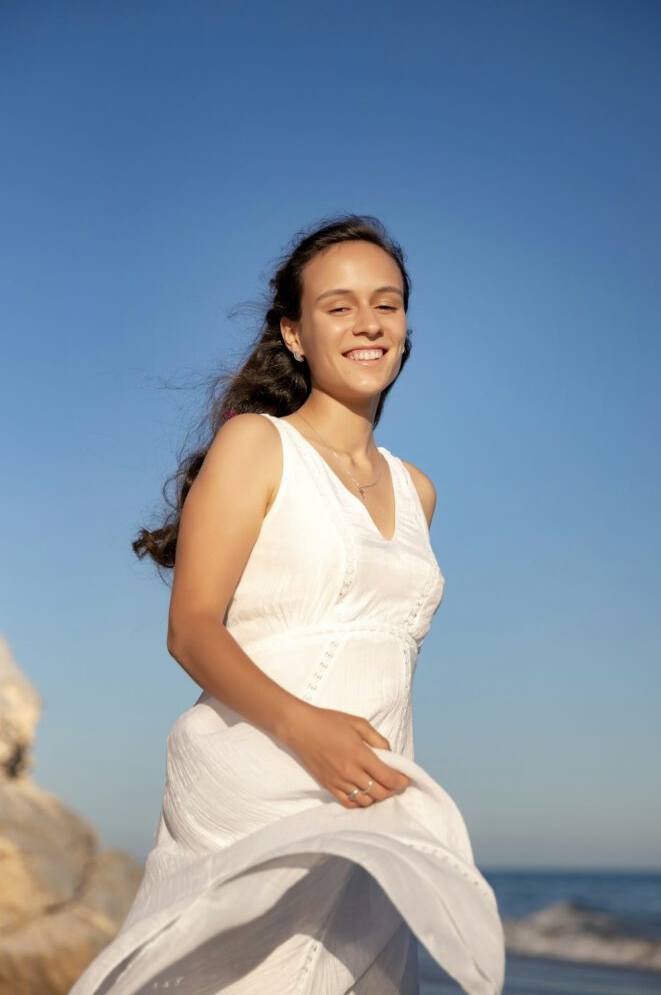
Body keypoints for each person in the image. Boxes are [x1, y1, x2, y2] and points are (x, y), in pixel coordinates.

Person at [68, 214, 506, 994]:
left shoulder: (418, 492)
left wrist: (353, 761)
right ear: (294, 333)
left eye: (388, 303)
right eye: (337, 307)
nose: (368, 323)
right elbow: (192, 629)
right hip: (261, 775)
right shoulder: (258, 445)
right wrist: (307, 732)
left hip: (368, 797)